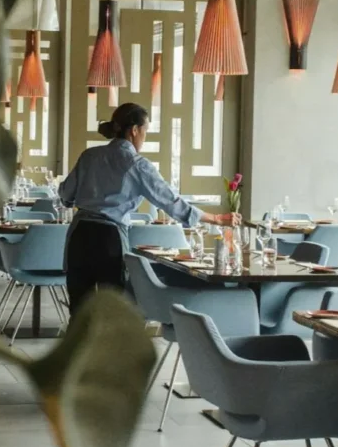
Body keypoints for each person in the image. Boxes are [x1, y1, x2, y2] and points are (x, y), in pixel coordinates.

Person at [59, 102, 241, 317]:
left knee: (79, 309)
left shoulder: (89, 156)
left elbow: (65, 195)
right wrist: (216, 218)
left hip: (79, 233)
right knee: (114, 311)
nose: (145, 136)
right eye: (145, 130)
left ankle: (78, 350)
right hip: (108, 239)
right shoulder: (137, 164)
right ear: (134, 130)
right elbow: (169, 201)